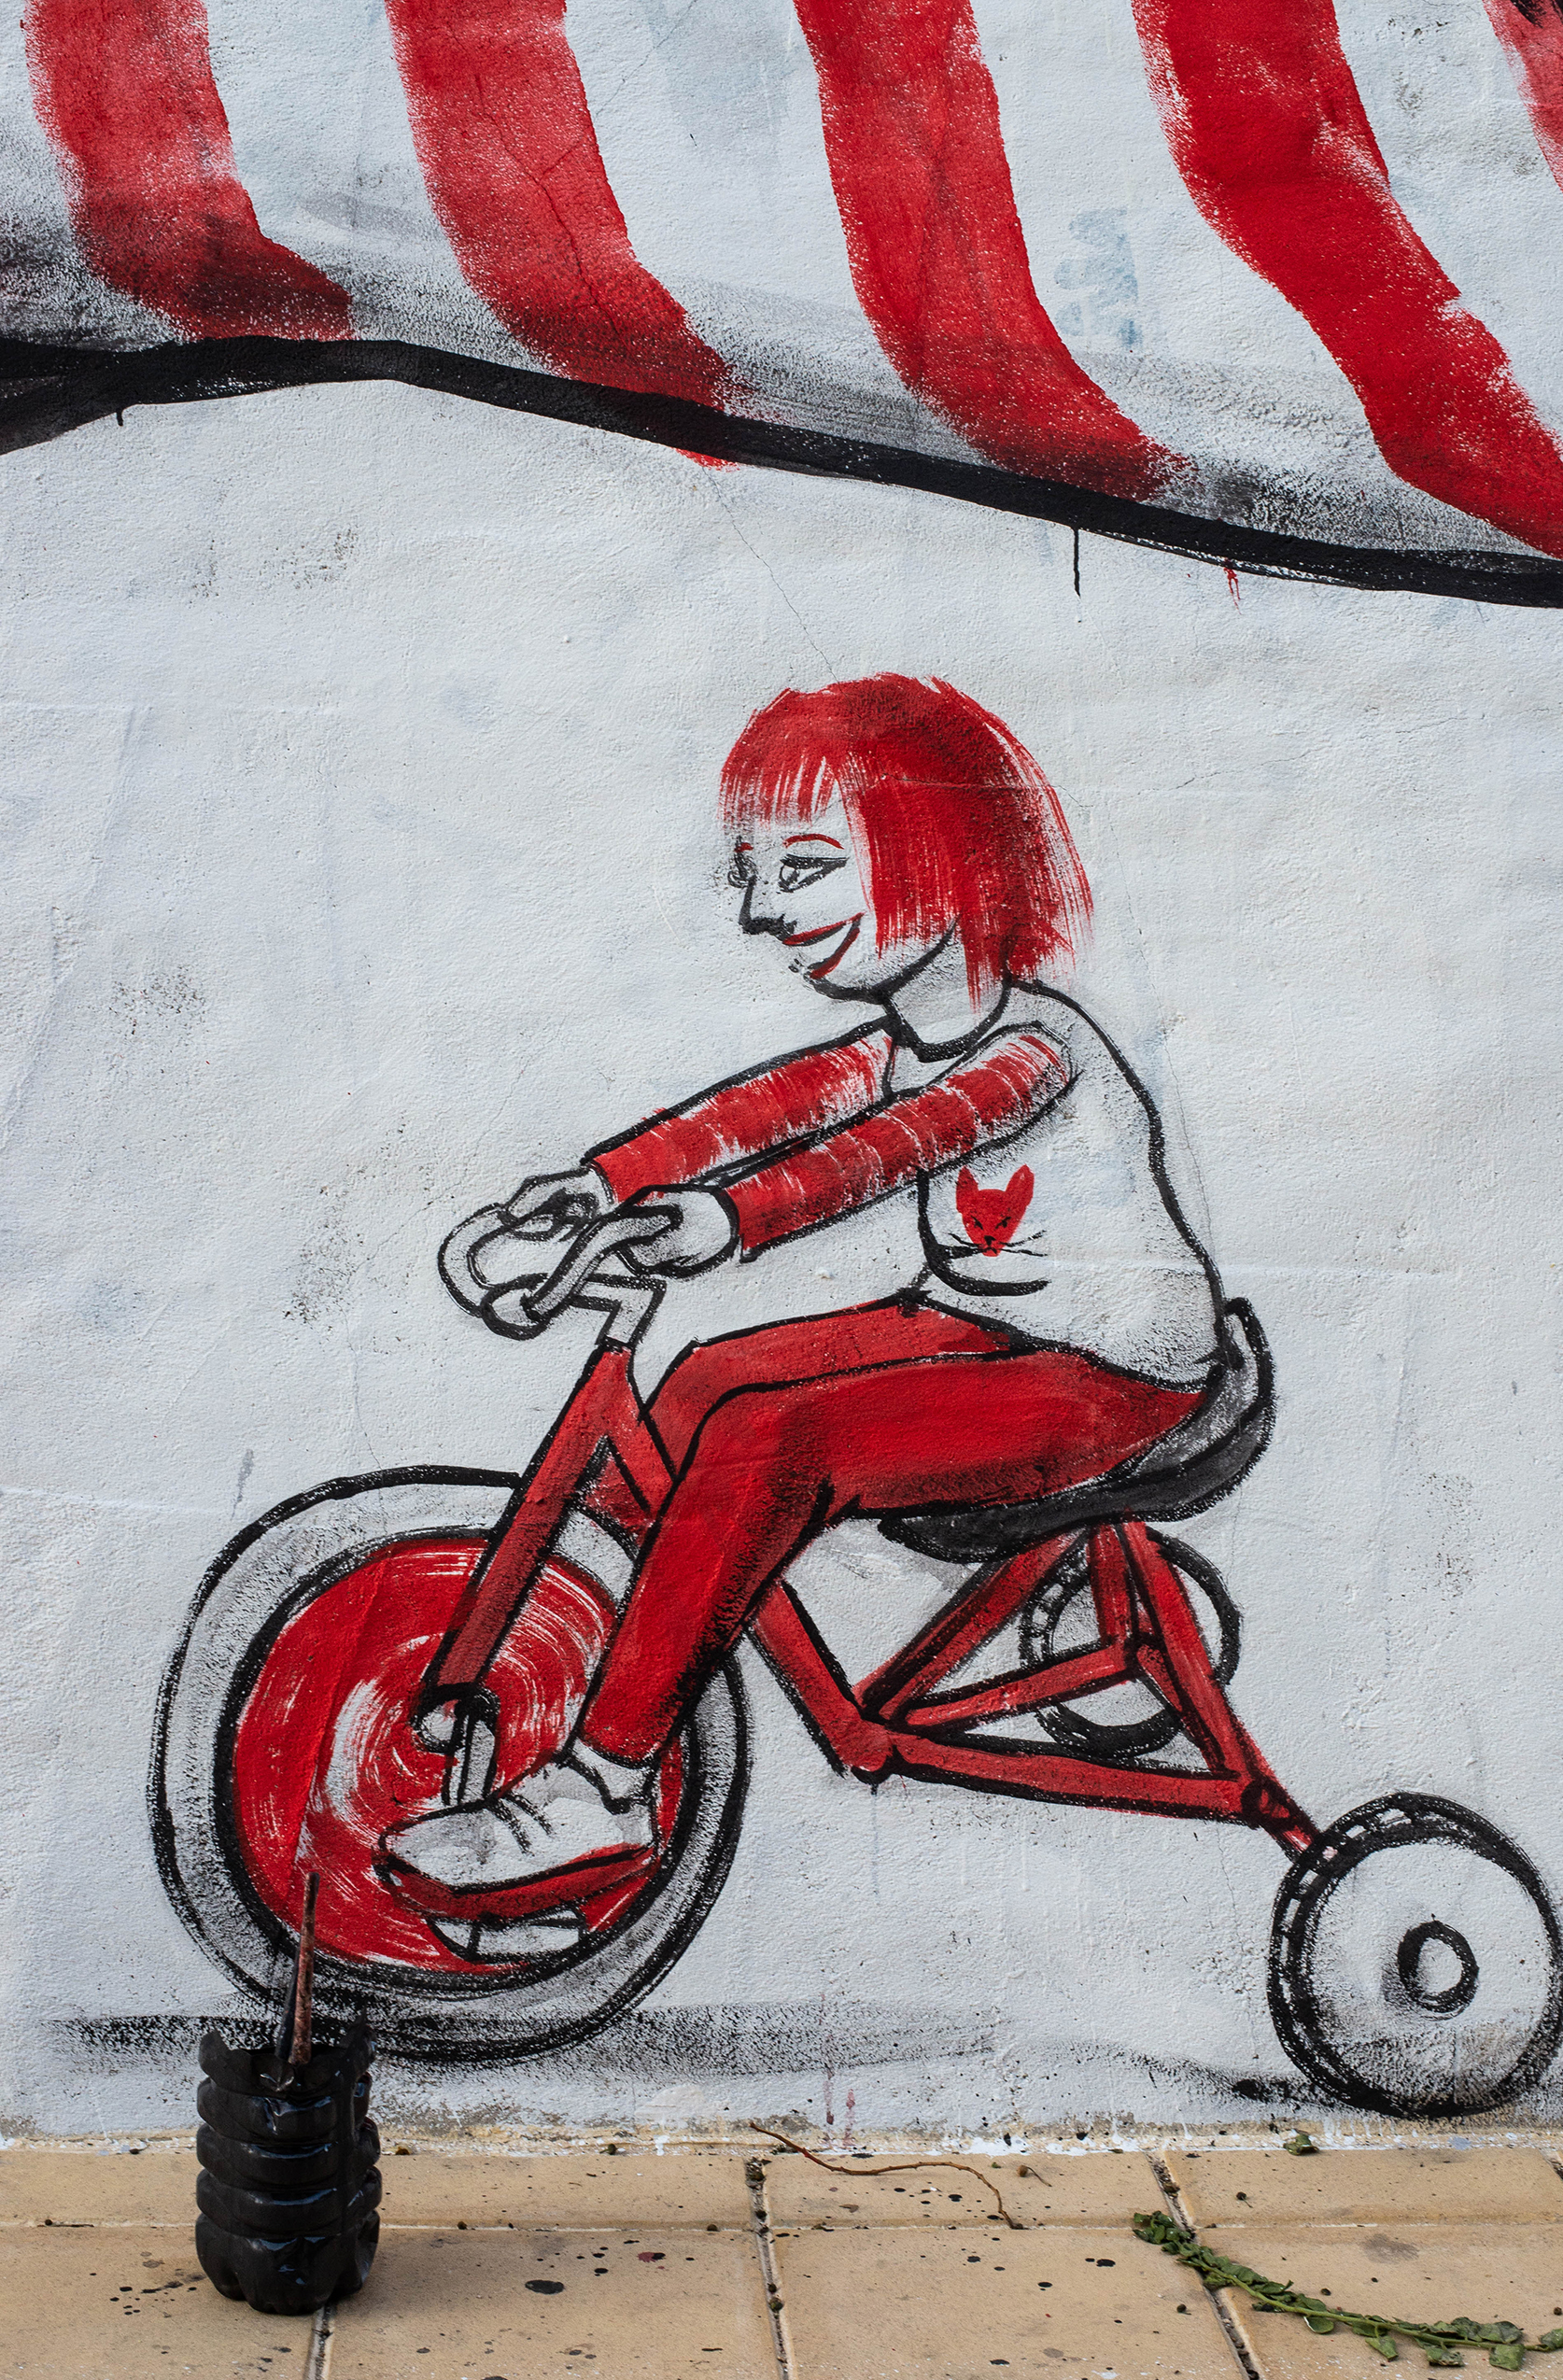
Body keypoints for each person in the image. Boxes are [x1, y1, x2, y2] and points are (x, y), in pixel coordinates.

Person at [380, 673, 1224, 1909]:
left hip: (1116, 1377)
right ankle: (619, 1620)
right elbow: (764, 1109)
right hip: (988, 1329)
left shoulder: (1031, 1054)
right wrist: (599, 1182)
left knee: (773, 1437)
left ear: (945, 861)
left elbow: (891, 1147)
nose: (763, 912)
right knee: (706, 1381)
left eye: (808, 868)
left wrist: (726, 1222)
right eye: (752, 875)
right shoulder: (900, 1043)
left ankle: (603, 1789)